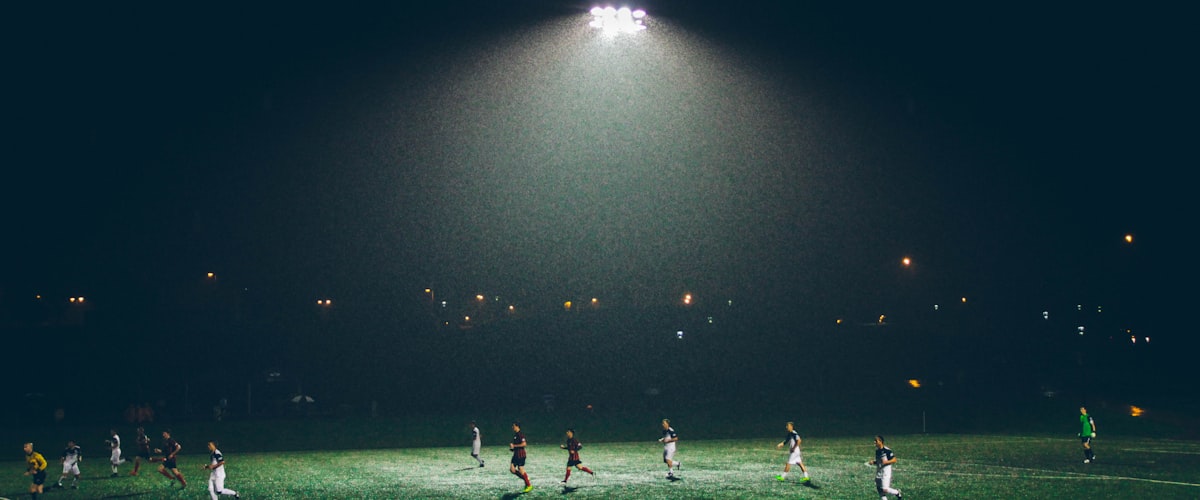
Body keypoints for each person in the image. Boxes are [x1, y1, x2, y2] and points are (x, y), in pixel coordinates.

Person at [868, 435, 902, 499]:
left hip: (886, 472)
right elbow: (880, 461)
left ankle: (897, 492)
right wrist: (874, 462)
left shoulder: (887, 450)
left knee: (885, 489)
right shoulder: (877, 451)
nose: (874, 442)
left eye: (876, 441)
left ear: (880, 441)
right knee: (879, 489)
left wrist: (886, 462)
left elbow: (894, 459)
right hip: (879, 471)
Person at [508, 421, 532, 493]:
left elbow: (524, 444)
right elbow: (517, 446)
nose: (512, 427)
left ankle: (528, 485)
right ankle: (526, 479)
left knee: (521, 469)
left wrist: (514, 446)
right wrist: (512, 448)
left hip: (521, 455)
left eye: (513, 426)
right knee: (512, 469)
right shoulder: (515, 435)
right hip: (515, 455)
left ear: (517, 426)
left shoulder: (520, 434)